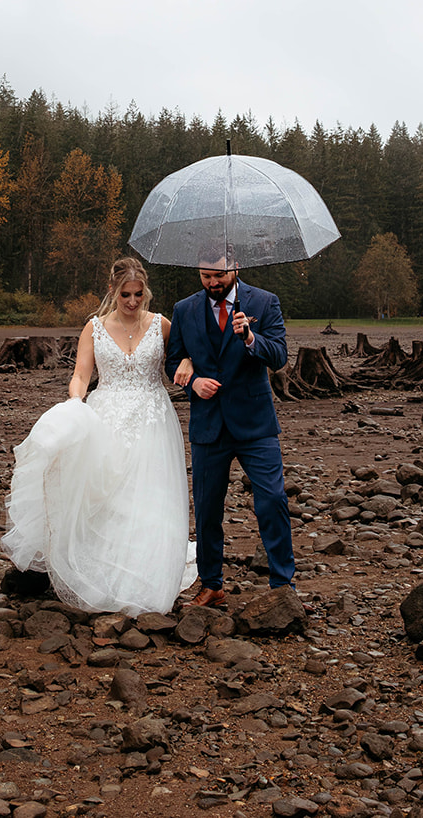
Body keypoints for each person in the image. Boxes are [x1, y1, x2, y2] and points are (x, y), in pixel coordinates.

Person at [2, 257, 197, 614]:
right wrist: (76, 401)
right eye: (126, 294)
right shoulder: (93, 328)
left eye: (139, 294)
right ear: (113, 291)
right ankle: (102, 573)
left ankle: (146, 575)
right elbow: (81, 374)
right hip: (106, 414)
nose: (133, 302)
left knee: (148, 494)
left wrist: (189, 363)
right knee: (108, 495)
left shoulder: (162, 325)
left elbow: (185, 356)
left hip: (152, 417)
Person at [165, 250, 296, 607]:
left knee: (272, 500)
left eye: (219, 276)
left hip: (255, 422)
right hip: (208, 424)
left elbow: (280, 355)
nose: (213, 283)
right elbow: (173, 360)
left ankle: (283, 585)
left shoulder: (265, 303)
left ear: (235, 268)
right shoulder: (184, 310)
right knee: (207, 508)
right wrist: (192, 383)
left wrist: (251, 338)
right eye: (206, 277)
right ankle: (212, 585)